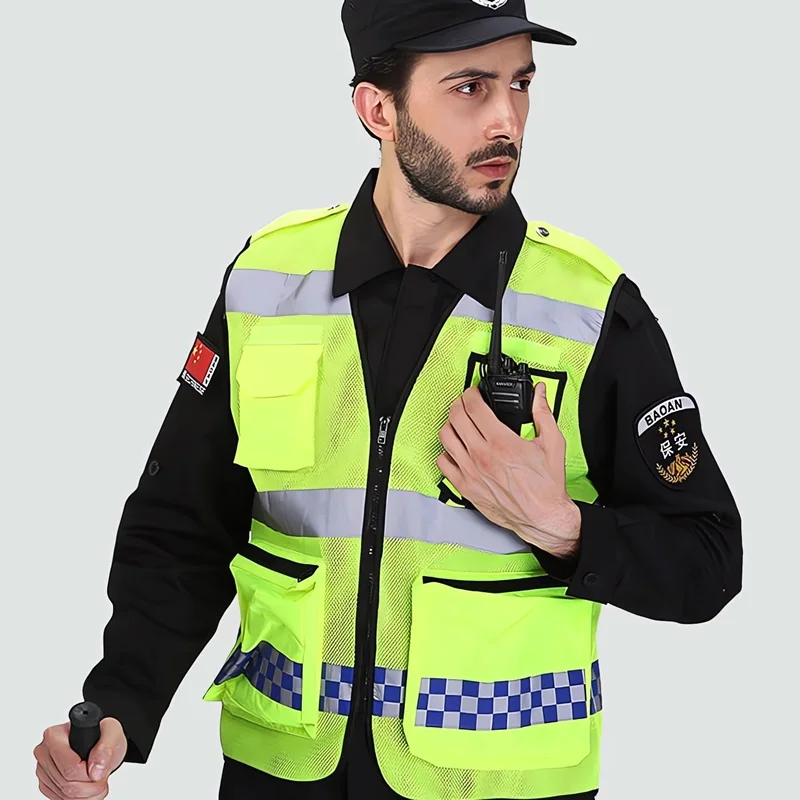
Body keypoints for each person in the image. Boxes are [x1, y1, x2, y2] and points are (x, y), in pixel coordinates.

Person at [32, 0, 743, 798]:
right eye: (470, 87)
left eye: (520, 83)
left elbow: (709, 561)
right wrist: (123, 705)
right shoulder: (268, 282)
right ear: (379, 109)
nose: (507, 120)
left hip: (493, 787)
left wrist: (565, 529)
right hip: (282, 775)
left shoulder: (589, 309)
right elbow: (183, 526)